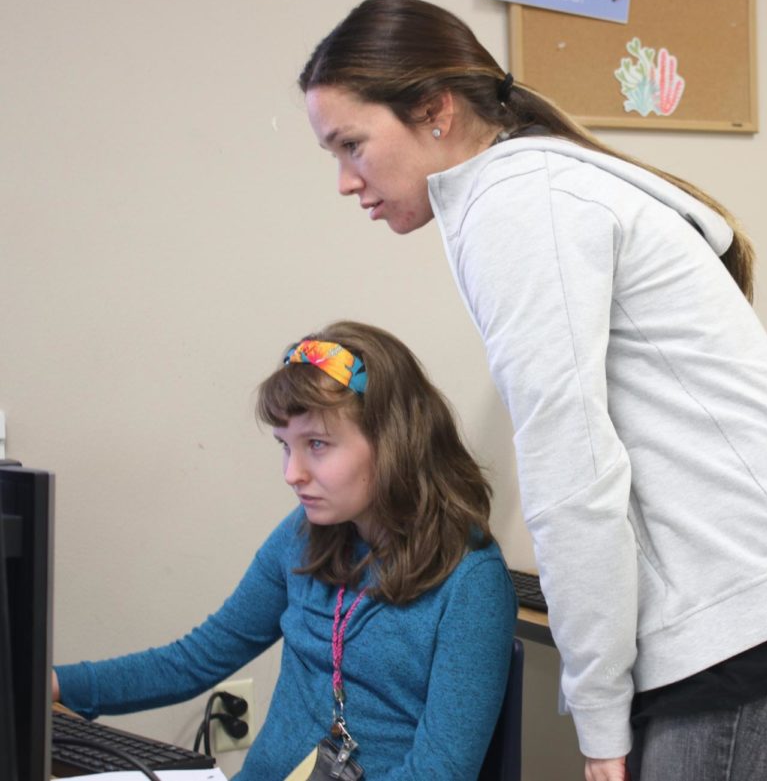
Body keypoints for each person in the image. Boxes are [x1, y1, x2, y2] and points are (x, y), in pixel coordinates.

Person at [298, 0, 767, 781]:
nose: (345, 181)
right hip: (758, 598)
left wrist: (599, 718)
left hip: (752, 612)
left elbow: (574, 477)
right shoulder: (523, 188)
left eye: (352, 145)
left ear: (434, 110)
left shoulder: (517, 205)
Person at [53, 320, 517, 780]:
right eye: (285, 446)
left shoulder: (471, 582)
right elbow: (194, 660)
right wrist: (53, 683)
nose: (292, 473)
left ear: (393, 442)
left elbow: (439, 772)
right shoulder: (305, 534)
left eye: (316, 445)